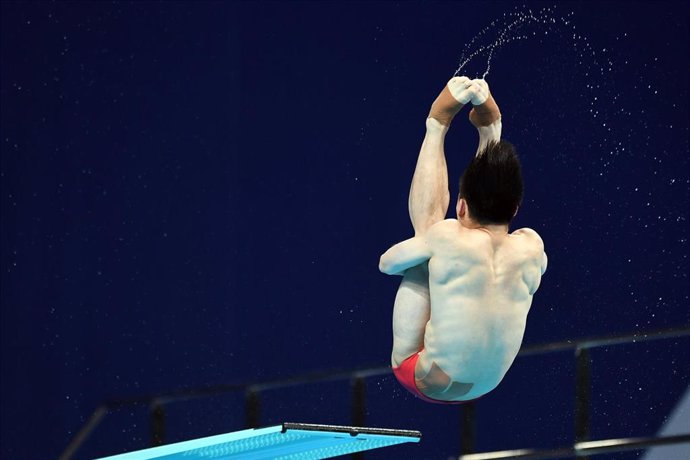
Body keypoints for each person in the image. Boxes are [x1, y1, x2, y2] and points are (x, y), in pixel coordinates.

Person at [379, 77, 547, 403]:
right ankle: (490, 136)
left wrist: (431, 245)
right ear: (516, 208)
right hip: (488, 384)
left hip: (426, 378)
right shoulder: (532, 246)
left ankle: (436, 125)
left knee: (427, 243)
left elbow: (387, 264)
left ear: (460, 206)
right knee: (445, 250)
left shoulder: (448, 238)